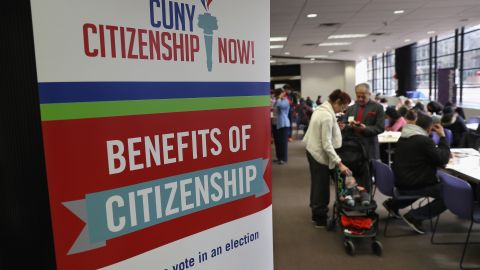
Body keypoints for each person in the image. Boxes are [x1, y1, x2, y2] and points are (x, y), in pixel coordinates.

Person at [384, 113, 449, 234]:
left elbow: (419, 157)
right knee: (450, 194)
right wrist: (443, 137)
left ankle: (393, 205)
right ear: (429, 129)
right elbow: (443, 159)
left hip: (401, 180)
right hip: (414, 183)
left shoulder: (405, 137)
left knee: (424, 184)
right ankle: (415, 216)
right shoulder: (424, 141)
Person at [303, 89, 352, 227]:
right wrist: (340, 163)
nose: (342, 111)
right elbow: (326, 144)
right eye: (342, 107)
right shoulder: (326, 116)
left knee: (317, 184)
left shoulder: (321, 109)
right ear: (337, 102)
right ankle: (320, 218)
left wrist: (336, 128)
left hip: (312, 149)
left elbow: (325, 133)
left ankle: (316, 213)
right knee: (321, 187)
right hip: (319, 153)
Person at [342, 83, 385, 160]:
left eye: (363, 97)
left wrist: (365, 128)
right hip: (352, 148)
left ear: (369, 94)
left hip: (370, 148)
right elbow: (344, 123)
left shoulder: (378, 107)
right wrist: (347, 126)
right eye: (358, 96)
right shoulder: (351, 108)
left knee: (371, 170)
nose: (360, 99)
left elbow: (380, 127)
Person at [275, 88, 291, 164]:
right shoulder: (278, 100)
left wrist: (279, 98)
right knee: (279, 142)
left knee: (283, 142)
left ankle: (284, 159)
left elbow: (280, 106)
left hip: (284, 124)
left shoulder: (285, 101)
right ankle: (280, 157)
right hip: (278, 124)